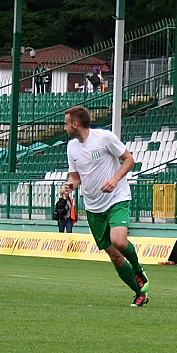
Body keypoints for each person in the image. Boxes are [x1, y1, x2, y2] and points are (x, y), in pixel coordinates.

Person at [64, 106, 149, 307]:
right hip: (93, 206)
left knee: (119, 241)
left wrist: (114, 179)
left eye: (66, 123)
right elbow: (75, 177)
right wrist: (70, 185)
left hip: (117, 198)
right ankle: (140, 293)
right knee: (115, 256)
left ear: (76, 124)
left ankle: (138, 270)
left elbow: (129, 160)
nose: (65, 127)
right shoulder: (71, 147)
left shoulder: (104, 138)